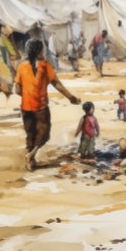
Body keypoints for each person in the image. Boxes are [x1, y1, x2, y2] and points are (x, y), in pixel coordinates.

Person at [14, 39, 81, 171]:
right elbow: (56, 84)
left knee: (30, 134)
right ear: (39, 51)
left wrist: (28, 94)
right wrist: (70, 97)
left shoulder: (21, 67)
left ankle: (30, 162)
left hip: (26, 107)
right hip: (41, 107)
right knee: (44, 134)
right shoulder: (45, 66)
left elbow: (17, 90)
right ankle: (31, 155)